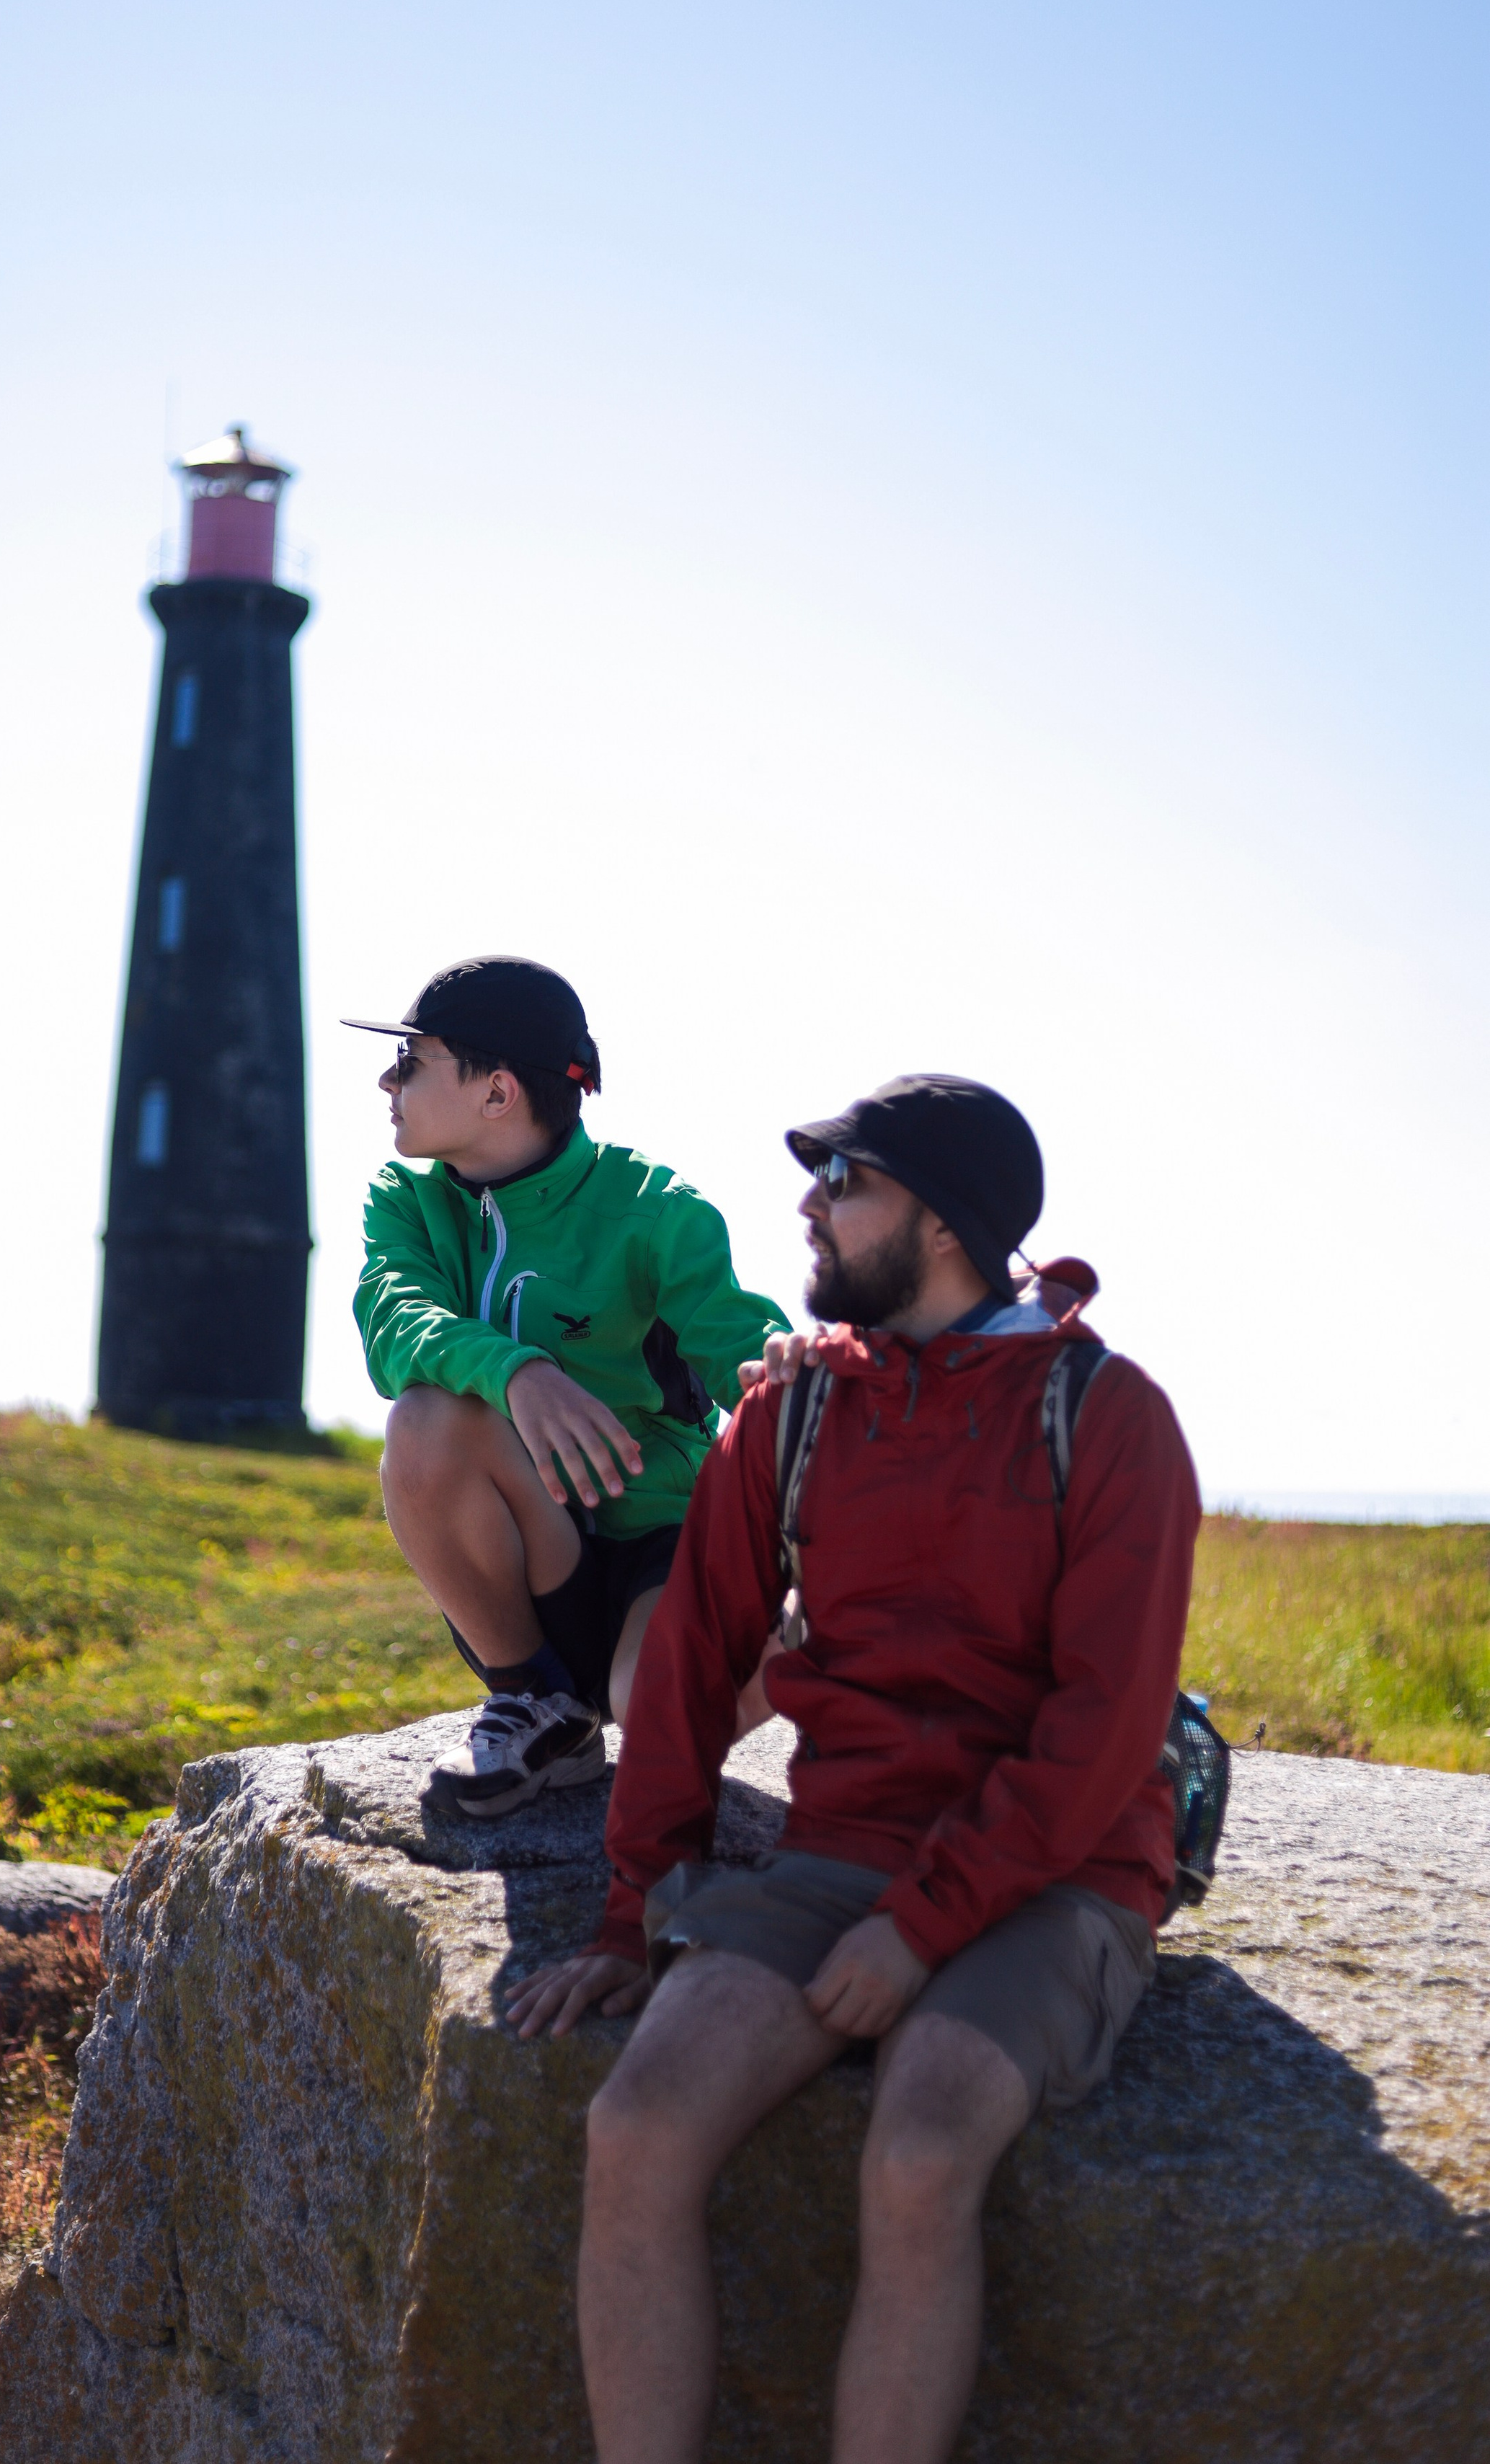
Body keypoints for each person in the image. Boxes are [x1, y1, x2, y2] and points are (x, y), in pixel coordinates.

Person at [505, 1072, 1199, 2464]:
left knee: (922, 2150)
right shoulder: (798, 1408)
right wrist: (637, 1916)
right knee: (636, 2125)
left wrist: (921, 1930)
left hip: (1058, 1876)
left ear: (943, 1224)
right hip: (839, 1852)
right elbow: (689, 1670)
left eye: (845, 1182)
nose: (810, 1208)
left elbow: (1106, 1724)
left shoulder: (1109, 1415)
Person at [347, 955, 789, 1818]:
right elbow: (394, 1321)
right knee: (426, 1417)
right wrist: (520, 1373)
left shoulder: (657, 1210)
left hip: (664, 1541)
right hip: (535, 1557)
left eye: (410, 1060)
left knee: (653, 1712)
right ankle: (535, 1701)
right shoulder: (405, 1199)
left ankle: (799, 1633)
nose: (387, 1081)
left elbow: (746, 1358)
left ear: (497, 1092)